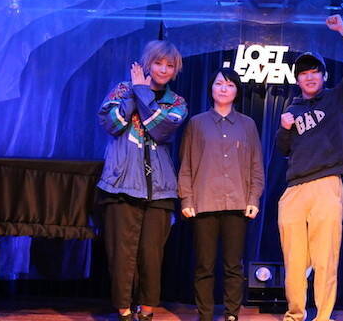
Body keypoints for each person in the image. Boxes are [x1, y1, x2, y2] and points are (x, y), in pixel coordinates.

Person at [275, 14, 343, 321]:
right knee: (294, 260)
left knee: (326, 258)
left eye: (315, 72)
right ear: (297, 80)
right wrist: (284, 128)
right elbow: (283, 150)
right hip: (294, 189)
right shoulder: (292, 108)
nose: (310, 77)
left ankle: (323, 316)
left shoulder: (338, 99)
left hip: (327, 184)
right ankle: (294, 314)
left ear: (324, 76)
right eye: (304, 74)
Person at [97, 40, 188, 321]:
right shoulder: (122, 89)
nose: (163, 69)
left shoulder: (177, 102)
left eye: (169, 65)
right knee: (121, 253)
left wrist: (141, 91)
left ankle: (147, 310)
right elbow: (111, 124)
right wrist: (133, 93)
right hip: (121, 183)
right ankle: (124, 309)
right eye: (158, 63)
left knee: (151, 254)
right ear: (147, 63)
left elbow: (162, 130)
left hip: (160, 189)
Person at [178, 67, 265, 321]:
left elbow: (256, 166)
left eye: (229, 84)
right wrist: (186, 198)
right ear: (211, 88)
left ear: (237, 90)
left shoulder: (247, 125)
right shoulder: (197, 123)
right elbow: (186, 165)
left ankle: (231, 314)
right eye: (218, 84)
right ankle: (205, 315)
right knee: (204, 265)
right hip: (203, 203)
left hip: (237, 203)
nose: (223, 89)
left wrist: (253, 198)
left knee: (233, 265)